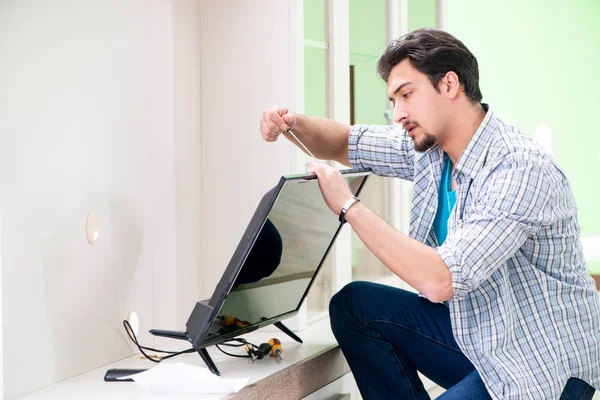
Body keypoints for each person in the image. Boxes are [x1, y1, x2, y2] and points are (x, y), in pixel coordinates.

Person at [259, 28, 600, 399]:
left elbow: (440, 280)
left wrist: (348, 206)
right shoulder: (430, 149)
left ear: (449, 84)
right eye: (394, 100)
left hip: (540, 363)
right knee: (355, 305)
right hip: (481, 337)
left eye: (407, 94)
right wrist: (290, 124)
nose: (398, 113)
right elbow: (345, 143)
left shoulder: (518, 168)